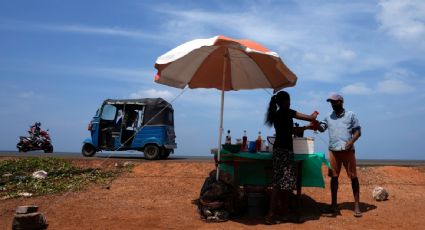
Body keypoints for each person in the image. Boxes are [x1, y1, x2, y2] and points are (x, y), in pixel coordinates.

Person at [264, 91, 318, 224]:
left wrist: (307, 126)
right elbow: (307, 118)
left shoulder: (276, 115)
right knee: (285, 184)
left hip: (278, 151)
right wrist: (313, 117)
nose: (290, 103)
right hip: (286, 151)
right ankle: (275, 214)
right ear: (284, 102)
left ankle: (279, 213)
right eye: (289, 101)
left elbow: (291, 131)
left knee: (279, 183)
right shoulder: (288, 112)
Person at [317, 93, 362, 217]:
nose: (332, 104)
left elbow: (358, 132)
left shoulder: (351, 115)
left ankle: (357, 206)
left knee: (353, 177)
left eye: (335, 102)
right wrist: (315, 124)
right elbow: (321, 128)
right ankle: (334, 205)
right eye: (331, 102)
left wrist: (351, 141)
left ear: (341, 102)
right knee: (334, 178)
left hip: (348, 151)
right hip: (333, 151)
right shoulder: (328, 117)